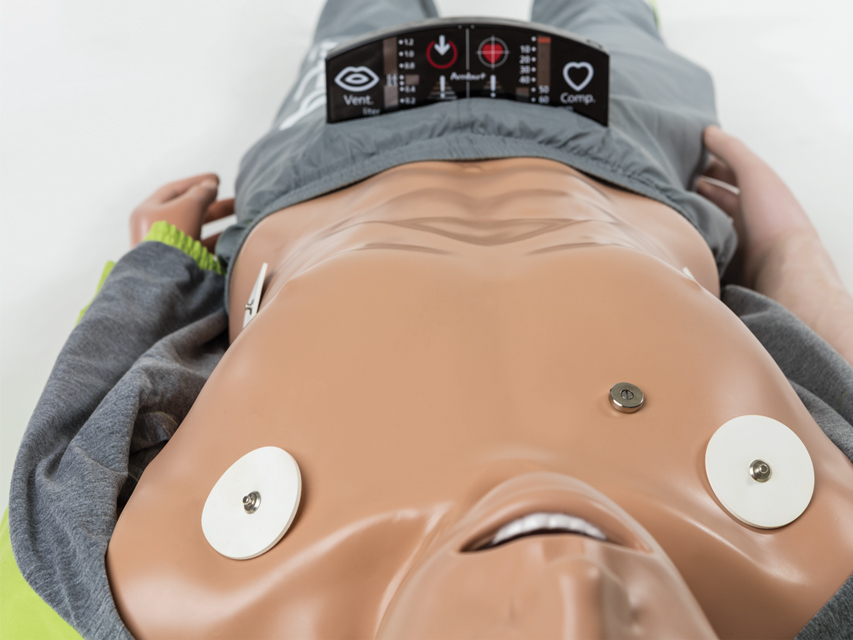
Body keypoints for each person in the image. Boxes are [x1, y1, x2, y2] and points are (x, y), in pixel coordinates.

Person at [6, 0, 853, 639]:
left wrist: (157, 260)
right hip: (621, 149)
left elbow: (83, 424)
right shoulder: (828, 580)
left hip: (332, 161)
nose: (571, 590)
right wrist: (786, 241)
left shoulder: (127, 601)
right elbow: (823, 373)